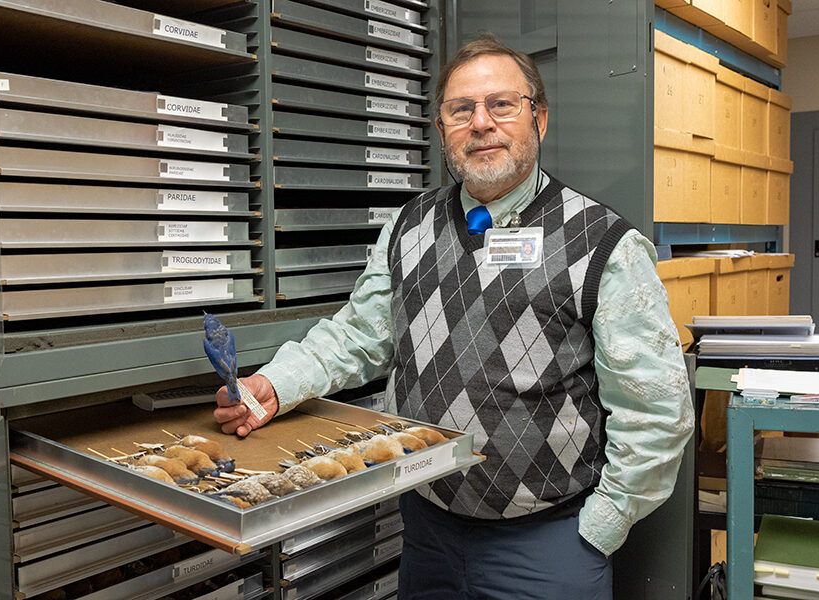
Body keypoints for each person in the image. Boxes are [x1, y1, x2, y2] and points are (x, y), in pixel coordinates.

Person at [214, 33, 694, 599]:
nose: (481, 123)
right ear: (442, 130)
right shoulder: (408, 226)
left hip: (549, 543)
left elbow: (656, 408)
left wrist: (601, 528)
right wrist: (275, 384)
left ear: (539, 117)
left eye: (502, 104)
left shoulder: (605, 243)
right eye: (460, 110)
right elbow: (359, 335)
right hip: (427, 530)